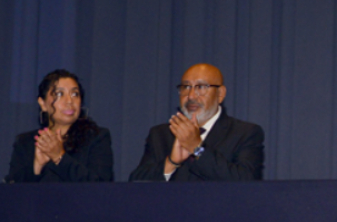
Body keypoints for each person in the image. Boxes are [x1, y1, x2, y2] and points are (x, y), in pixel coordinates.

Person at [129, 63, 264, 181]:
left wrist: (197, 149)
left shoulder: (245, 133)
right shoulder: (161, 134)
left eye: (201, 87)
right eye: (186, 87)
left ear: (220, 94)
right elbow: (136, 184)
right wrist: (170, 163)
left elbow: (245, 182)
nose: (191, 96)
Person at [5, 69, 113, 183]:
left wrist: (59, 158)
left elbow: (100, 188)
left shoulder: (97, 138)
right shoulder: (25, 142)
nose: (69, 101)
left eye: (75, 94)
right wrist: (36, 169)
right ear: (43, 103)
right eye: (59, 94)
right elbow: (12, 193)